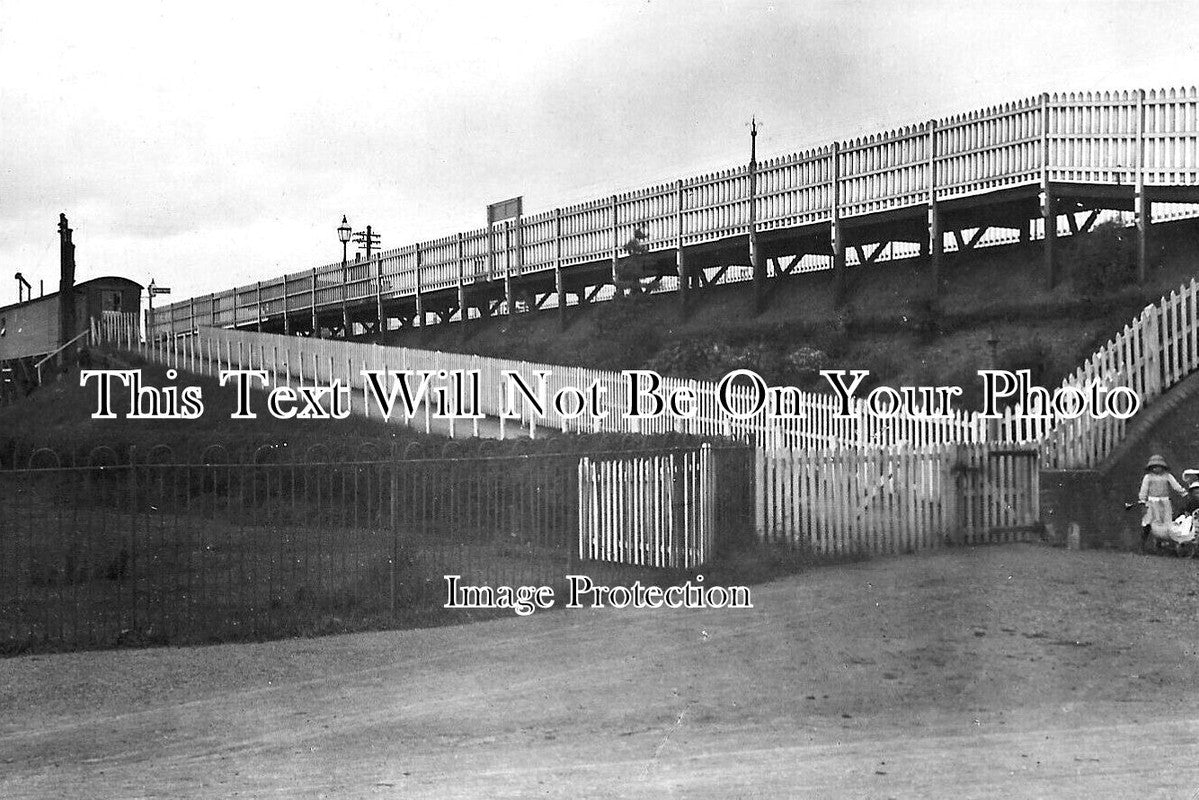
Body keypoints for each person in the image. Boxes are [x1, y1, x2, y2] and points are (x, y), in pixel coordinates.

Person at [1139, 454, 1186, 542]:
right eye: (1154, 467)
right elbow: (1144, 489)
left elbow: (1175, 485)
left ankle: (1161, 543)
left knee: (1166, 523)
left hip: (1165, 502)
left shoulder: (1167, 476)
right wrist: (1142, 500)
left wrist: (1184, 493)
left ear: (1163, 467)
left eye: (1158, 467)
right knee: (1148, 521)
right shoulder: (1148, 477)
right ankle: (1142, 542)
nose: (1156, 469)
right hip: (1152, 502)